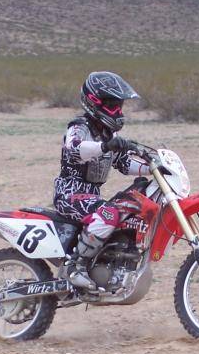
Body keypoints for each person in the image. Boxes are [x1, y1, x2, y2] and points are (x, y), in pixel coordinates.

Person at [53, 71, 150, 290]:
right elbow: (75, 148)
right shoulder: (79, 127)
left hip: (90, 197)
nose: (117, 111)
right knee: (109, 213)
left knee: (128, 210)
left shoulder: (108, 134)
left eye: (119, 105)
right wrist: (104, 147)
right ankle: (75, 266)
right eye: (112, 104)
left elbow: (124, 164)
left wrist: (153, 166)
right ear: (95, 101)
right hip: (69, 194)